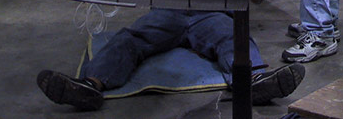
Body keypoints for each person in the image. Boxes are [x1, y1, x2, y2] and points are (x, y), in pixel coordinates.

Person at [36, 9, 305, 111]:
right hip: (169, 8)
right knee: (130, 38)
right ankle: (90, 86)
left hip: (211, 8)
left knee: (232, 36)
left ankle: (253, 82)